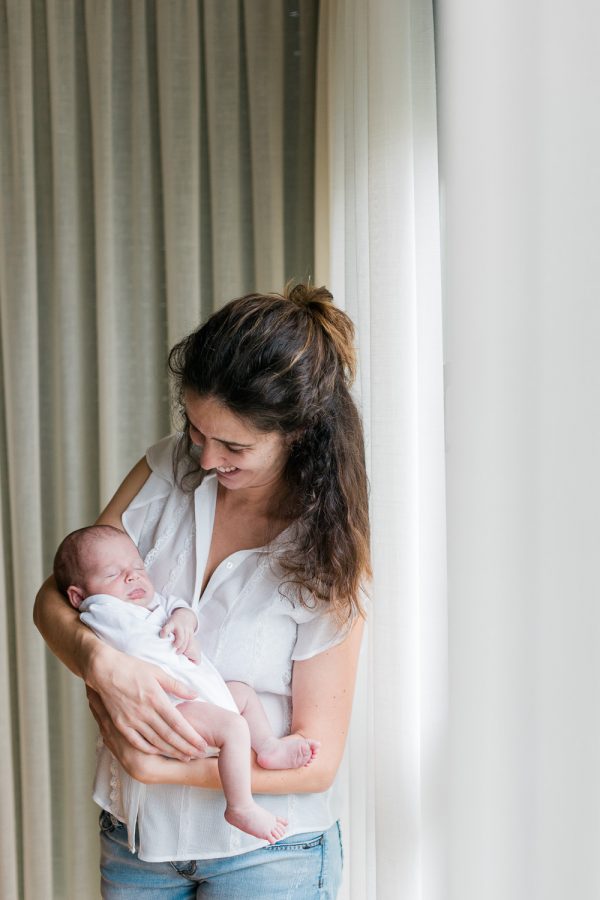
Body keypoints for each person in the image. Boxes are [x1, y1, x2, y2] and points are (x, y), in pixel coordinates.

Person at [34, 284, 370, 899]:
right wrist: (100, 663)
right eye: (196, 430)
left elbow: (318, 764)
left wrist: (160, 767)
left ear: (298, 432)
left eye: (235, 446)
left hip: (269, 857)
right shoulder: (170, 469)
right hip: (136, 840)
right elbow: (56, 598)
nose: (208, 460)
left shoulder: (327, 549)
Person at [53, 523, 320, 850]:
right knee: (234, 728)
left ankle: (266, 746)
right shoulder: (101, 612)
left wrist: (183, 620)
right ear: (79, 596)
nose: (132, 577)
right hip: (170, 710)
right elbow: (54, 614)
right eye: (112, 574)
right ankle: (240, 806)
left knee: (243, 693)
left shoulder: (155, 604)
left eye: (137, 567)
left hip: (203, 695)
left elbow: (180, 607)